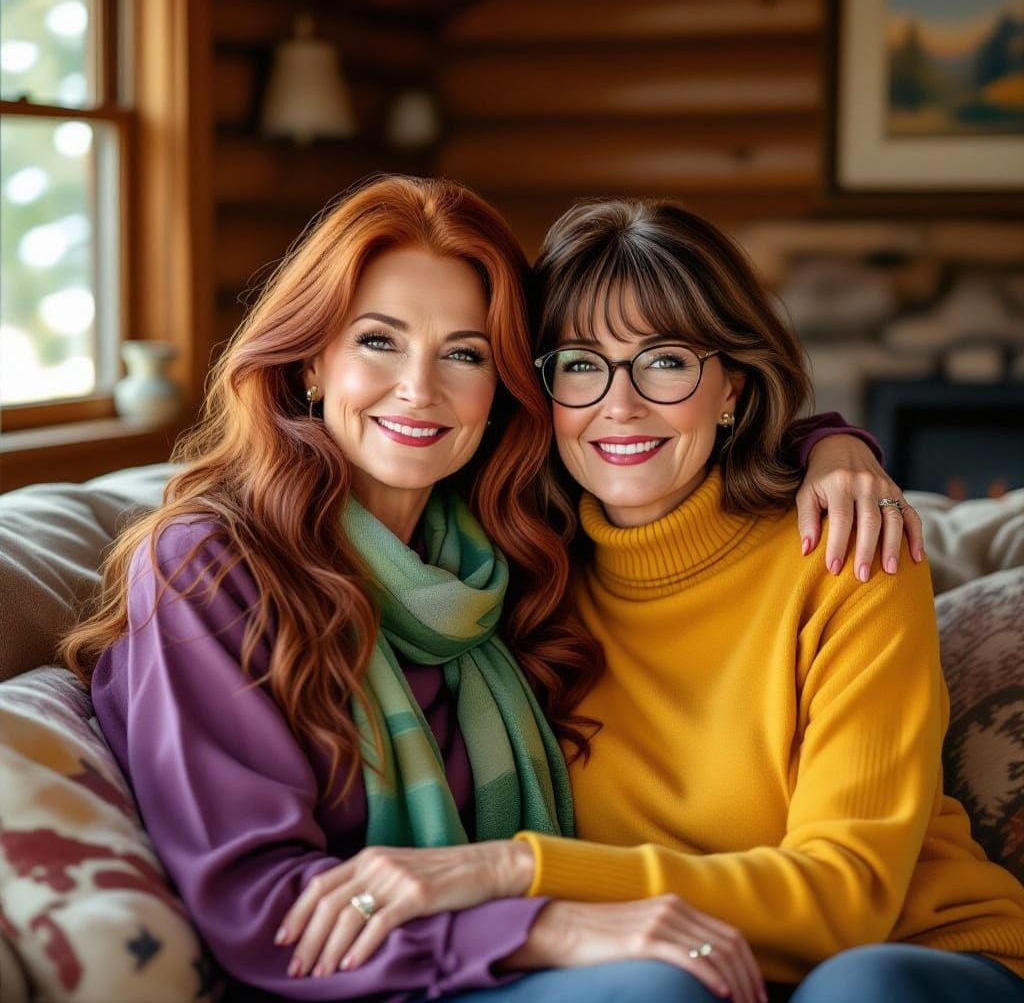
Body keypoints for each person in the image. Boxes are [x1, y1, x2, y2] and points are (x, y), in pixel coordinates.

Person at [62, 177, 910, 1003]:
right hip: (400, 975)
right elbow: (258, 901)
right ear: (310, 360)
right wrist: (542, 927)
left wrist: (836, 448)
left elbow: (674, 434)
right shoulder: (216, 566)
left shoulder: (509, 550)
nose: (420, 390)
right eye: (378, 340)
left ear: (503, 385)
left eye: (463, 353)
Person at [277, 198, 1024, 1003]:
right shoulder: (513, 571)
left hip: (910, 957)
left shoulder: (848, 556)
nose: (620, 404)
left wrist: (512, 868)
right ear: (535, 391)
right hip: (667, 976)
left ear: (732, 388)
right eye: (578, 364)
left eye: (665, 361)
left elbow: (846, 901)